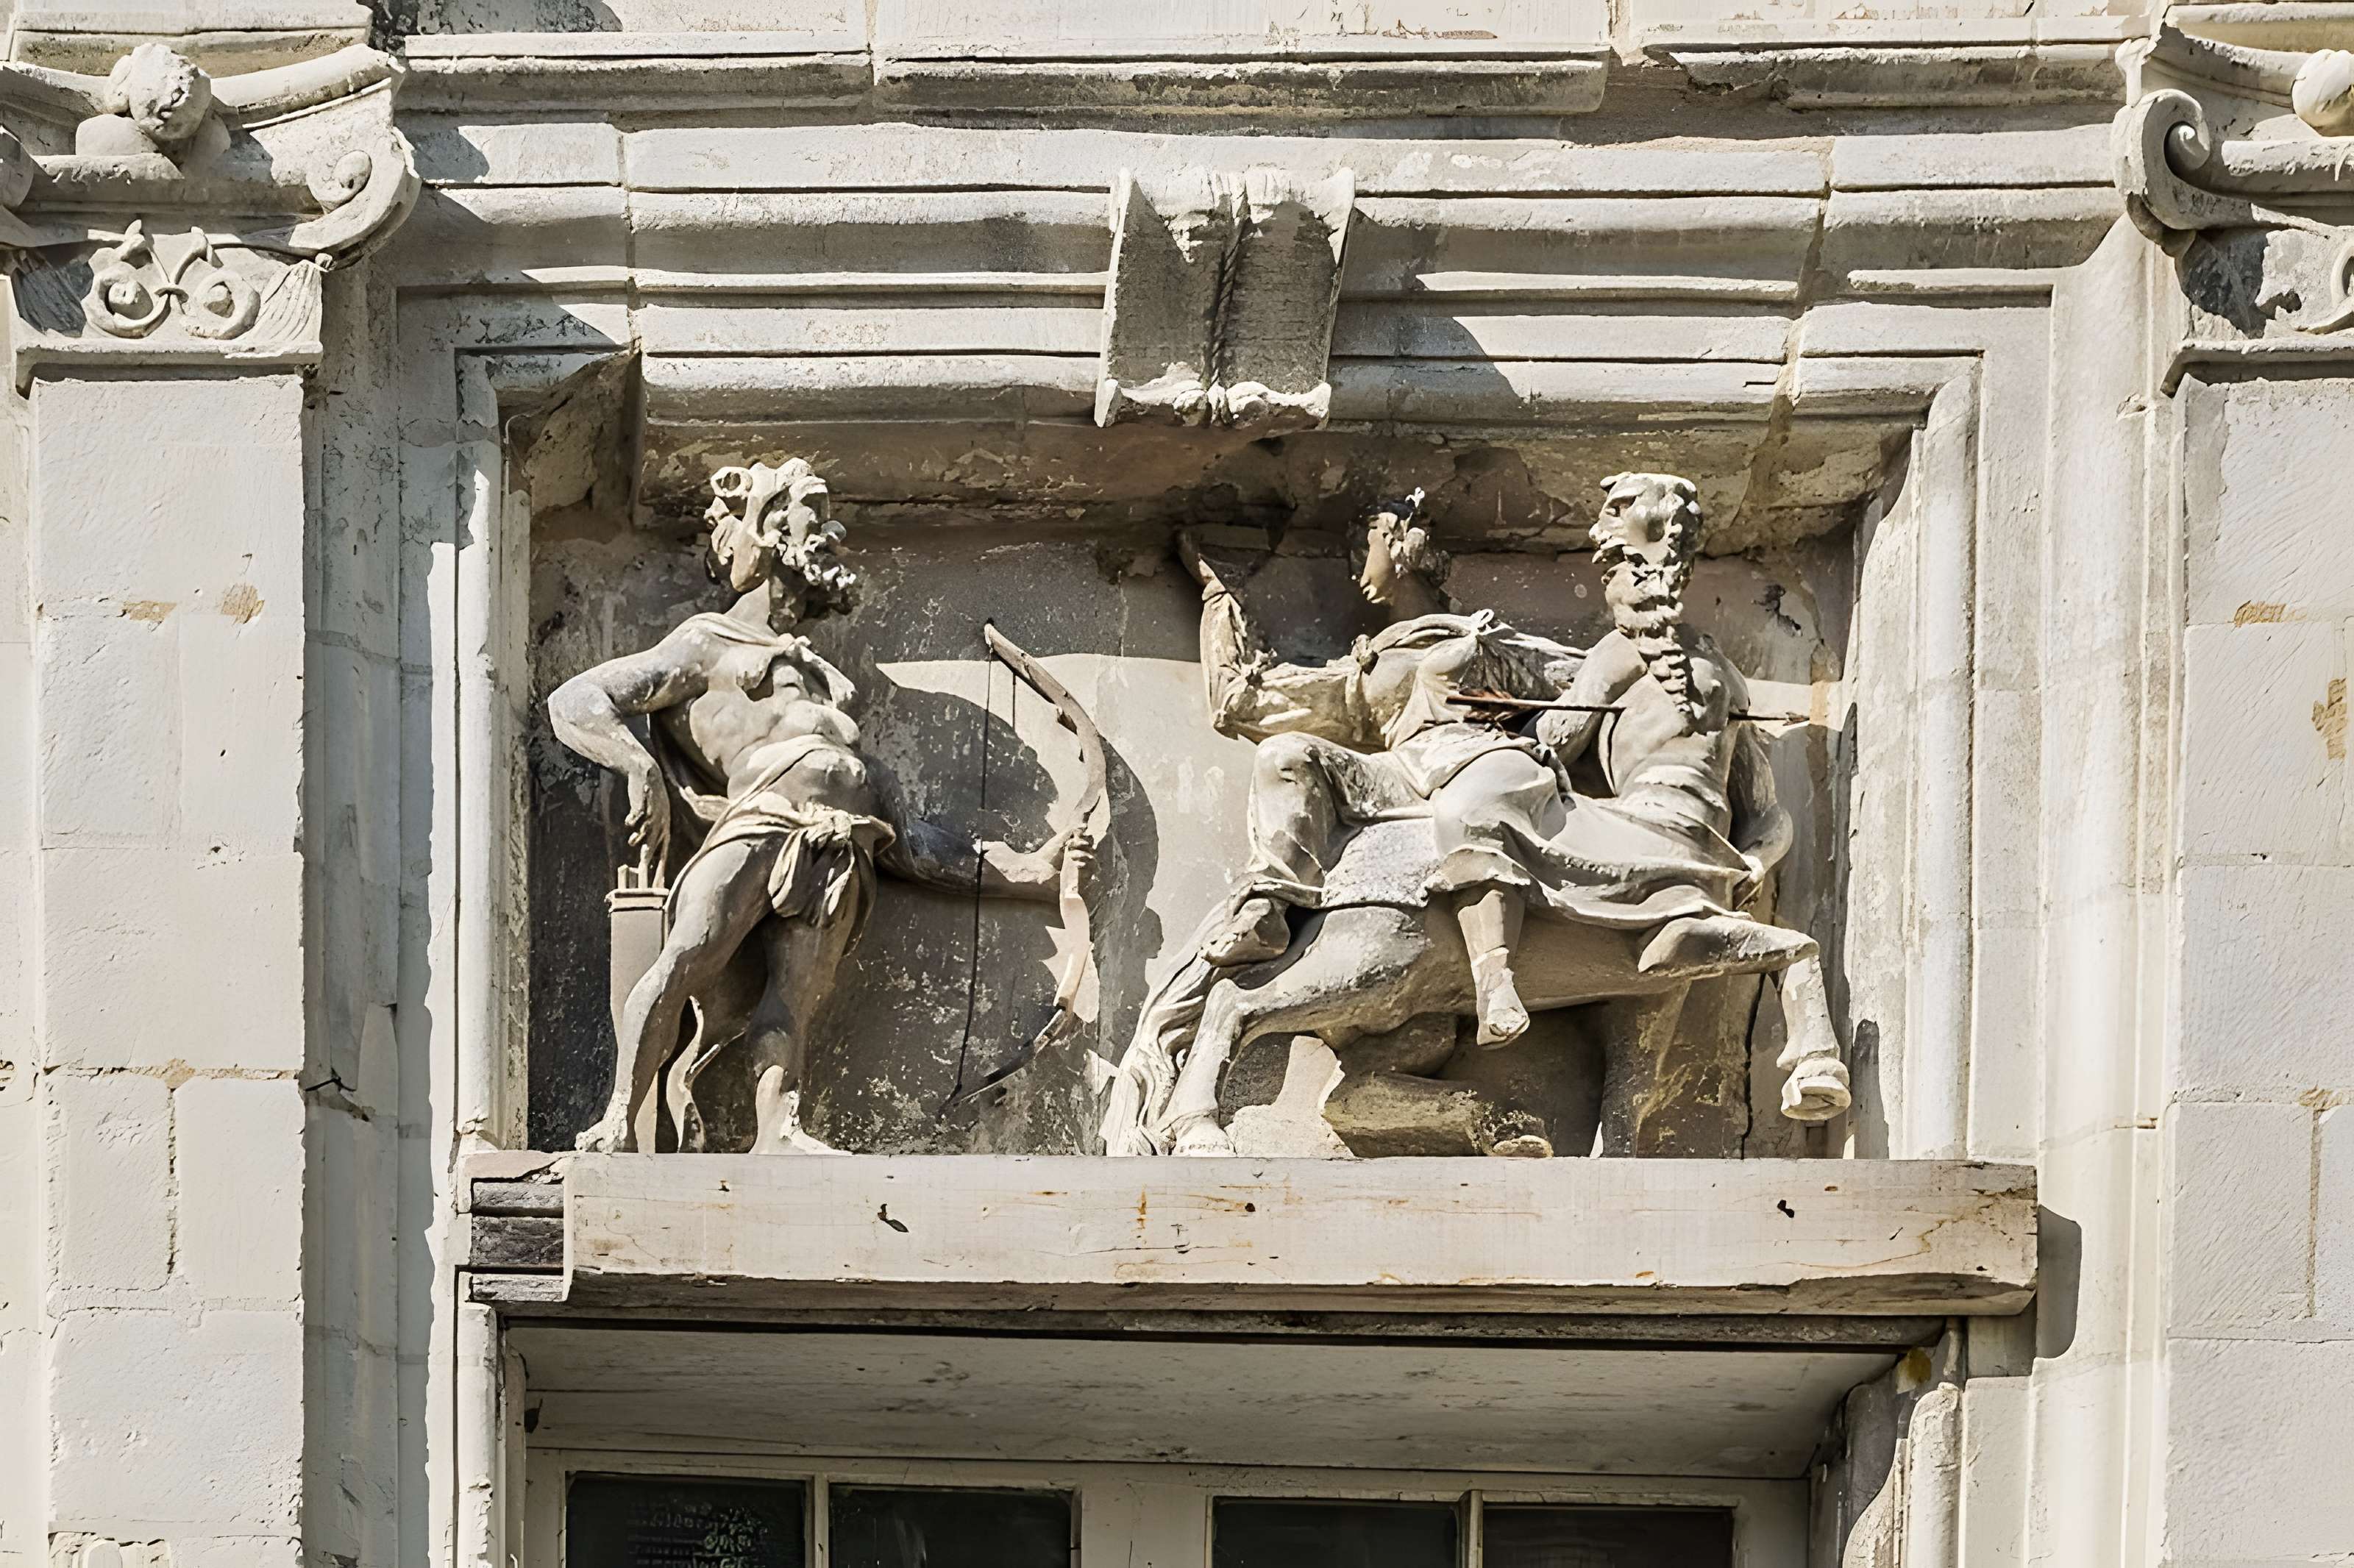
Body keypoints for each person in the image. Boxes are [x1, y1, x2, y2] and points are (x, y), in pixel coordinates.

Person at [550, 460, 1078, 1154]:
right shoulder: (707, 643)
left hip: (842, 847)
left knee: (794, 1002)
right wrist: (640, 767)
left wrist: (1032, 873)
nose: (832, 533)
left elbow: (913, 844)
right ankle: (620, 1117)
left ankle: (781, 1131)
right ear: (768, 530)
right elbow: (578, 701)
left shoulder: (828, 692)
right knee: (685, 961)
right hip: (758, 825)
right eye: (814, 514)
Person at [1180, 493, 1581, 1044]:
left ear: (1396, 543)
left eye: (1360, 549)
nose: (1353, 567)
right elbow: (1250, 702)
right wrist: (1218, 595)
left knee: (1471, 814)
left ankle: (1495, 976)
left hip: (1472, 758)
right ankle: (1271, 907)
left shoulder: (1482, 639)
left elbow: (1582, 683)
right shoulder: (1365, 666)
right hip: (1400, 772)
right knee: (1286, 754)